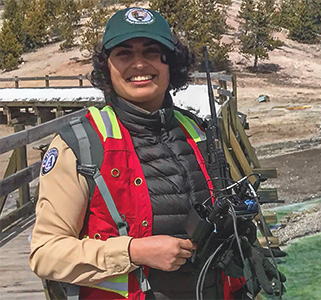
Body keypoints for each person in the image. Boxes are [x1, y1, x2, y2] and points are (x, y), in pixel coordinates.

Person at [29, 7, 246, 299]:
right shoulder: (81, 143)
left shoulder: (198, 131)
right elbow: (45, 253)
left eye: (152, 52)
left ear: (171, 63)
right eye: (124, 54)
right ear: (107, 66)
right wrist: (133, 251)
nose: (139, 64)